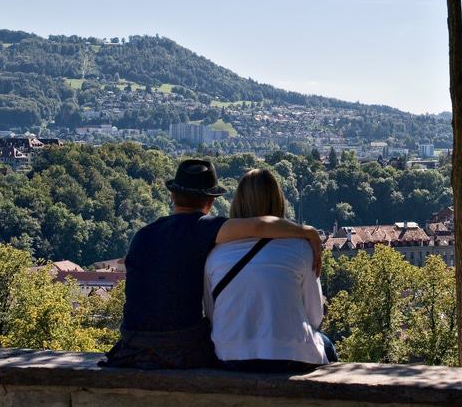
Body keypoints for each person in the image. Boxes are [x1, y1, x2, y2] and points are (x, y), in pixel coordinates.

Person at [102, 159, 323, 369]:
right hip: (180, 347)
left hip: (133, 345)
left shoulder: (143, 235)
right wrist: (305, 231)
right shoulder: (204, 228)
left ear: (172, 196)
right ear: (210, 202)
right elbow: (258, 227)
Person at [204, 168, 337, 373]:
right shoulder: (300, 248)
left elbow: (213, 315)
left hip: (229, 356)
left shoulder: (215, 255)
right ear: (278, 201)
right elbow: (314, 317)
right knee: (327, 344)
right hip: (289, 355)